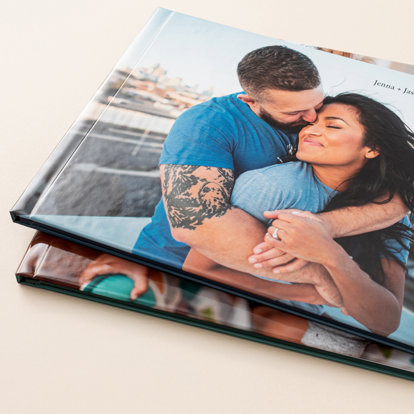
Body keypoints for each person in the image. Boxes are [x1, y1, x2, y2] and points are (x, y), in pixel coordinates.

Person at [81, 45, 407, 304]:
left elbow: (400, 196)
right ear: (250, 100)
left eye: (317, 104)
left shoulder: (315, 124)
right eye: (295, 112)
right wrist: (319, 275)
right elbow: (196, 225)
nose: (311, 118)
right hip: (171, 267)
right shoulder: (207, 125)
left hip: (267, 283)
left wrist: (326, 227)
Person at [182, 93, 414, 336]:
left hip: (303, 324)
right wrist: (309, 291)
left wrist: (333, 257)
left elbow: (386, 321)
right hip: (233, 314)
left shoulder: (387, 213)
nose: (310, 131)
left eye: (332, 125)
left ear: (373, 148)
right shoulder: (272, 186)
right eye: (310, 124)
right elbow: (197, 269)